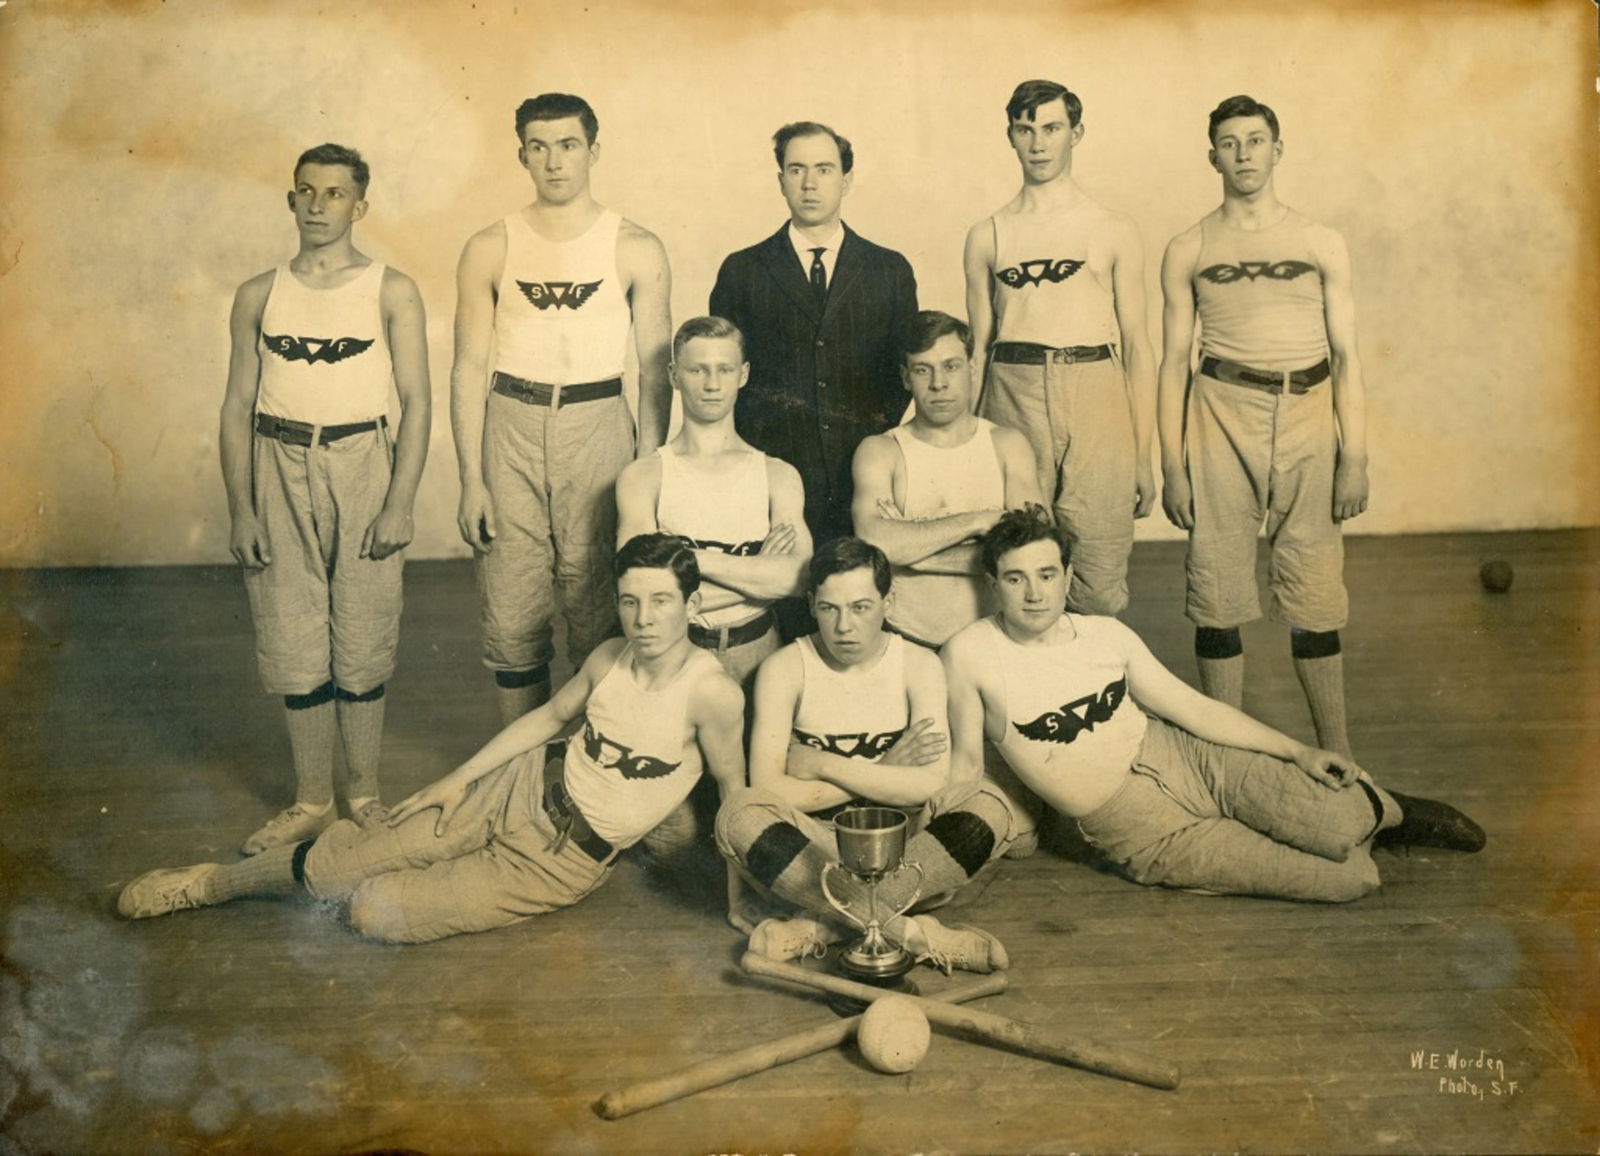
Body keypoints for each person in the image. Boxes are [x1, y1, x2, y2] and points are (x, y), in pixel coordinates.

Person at [117, 536, 747, 944]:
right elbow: (549, 719)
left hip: (558, 859)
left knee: (373, 911)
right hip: (517, 786)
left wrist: (740, 898)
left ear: (691, 606)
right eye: (631, 602)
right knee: (335, 868)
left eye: (662, 602)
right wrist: (457, 781)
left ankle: (376, 861)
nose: (644, 619)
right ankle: (208, 883)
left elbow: (736, 798)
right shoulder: (611, 655)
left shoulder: (712, 694)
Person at [940, 509, 1483, 904]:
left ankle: (1390, 814)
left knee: (1341, 815)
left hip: (1185, 758)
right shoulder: (969, 654)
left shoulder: (1105, 634)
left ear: (1067, 574)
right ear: (993, 584)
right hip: (1137, 827)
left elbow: (1193, 709)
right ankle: (1345, 828)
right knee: (1349, 880)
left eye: (1046, 574)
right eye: (1015, 578)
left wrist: (1298, 752)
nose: (1034, 594)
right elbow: (966, 765)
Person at [217, 143, 431, 856]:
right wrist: (242, 508)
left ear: (359, 206)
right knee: (292, 631)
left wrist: (400, 501)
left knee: (363, 629)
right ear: (291, 200)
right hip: (277, 462)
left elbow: (417, 400)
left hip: (363, 461)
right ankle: (311, 799)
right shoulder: (259, 293)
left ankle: (363, 795)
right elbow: (236, 405)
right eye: (306, 191)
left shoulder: (391, 290)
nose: (317, 205)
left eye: (334, 193)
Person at [1156, 95, 1369, 759]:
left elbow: (1347, 356)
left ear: (1278, 150)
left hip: (1308, 414)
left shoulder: (1320, 240)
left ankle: (1339, 754)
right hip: (1221, 414)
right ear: (1212, 156)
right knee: (1217, 588)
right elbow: (1172, 364)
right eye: (1230, 143)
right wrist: (1171, 467)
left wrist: (1355, 457)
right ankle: (1229, 757)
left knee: (1314, 590)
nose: (1243, 154)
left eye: (1255, 140)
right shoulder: (1188, 247)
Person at [451, 92, 672, 726]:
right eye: (539, 147)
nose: (554, 162)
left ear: (593, 151)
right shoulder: (490, 245)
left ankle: (589, 758)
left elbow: (655, 370)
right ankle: (524, 765)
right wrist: (470, 480)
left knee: (598, 600)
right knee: (511, 607)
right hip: (511, 423)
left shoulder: (635, 245)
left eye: (568, 145)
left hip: (598, 422)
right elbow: (467, 367)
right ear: (521, 155)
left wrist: (647, 470)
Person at [715, 538, 1019, 974]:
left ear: (887, 603)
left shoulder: (918, 665)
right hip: (817, 853)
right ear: (811, 604)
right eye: (829, 609)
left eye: (860, 607)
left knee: (990, 804)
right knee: (738, 812)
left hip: (908, 850)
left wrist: (823, 764)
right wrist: (885, 769)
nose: (844, 626)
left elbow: (929, 784)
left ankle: (822, 925)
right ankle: (913, 933)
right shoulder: (784, 668)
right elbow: (768, 789)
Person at [963, 79, 1157, 617]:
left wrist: (1143, 456)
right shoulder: (987, 234)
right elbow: (978, 350)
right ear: (1010, 136)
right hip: (1013, 389)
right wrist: (967, 447)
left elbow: (1139, 346)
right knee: (1019, 551)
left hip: (1096, 392)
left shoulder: (1113, 228)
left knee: (1099, 565)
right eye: (1025, 130)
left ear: (1077, 133)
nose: (1038, 143)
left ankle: (1092, 665)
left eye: (1051, 128)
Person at [710, 121, 918, 551]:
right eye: (796, 170)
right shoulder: (742, 270)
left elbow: (902, 375)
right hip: (772, 471)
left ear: (846, 180)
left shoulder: (889, 269)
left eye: (824, 169)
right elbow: (726, 375)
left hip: (862, 473)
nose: (810, 184)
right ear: (781, 181)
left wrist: (870, 448)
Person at [617, 316, 811, 688]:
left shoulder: (778, 475)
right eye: (697, 370)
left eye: (725, 369)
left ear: (744, 374)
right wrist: (758, 571)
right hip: (674, 656)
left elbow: (798, 580)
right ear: (674, 375)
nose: (712, 384)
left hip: (759, 653)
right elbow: (641, 591)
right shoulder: (643, 476)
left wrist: (684, 558)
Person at [852, 310, 1042, 650]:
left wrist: (917, 555)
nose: (938, 383)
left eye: (951, 366)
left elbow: (1031, 550)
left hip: (996, 642)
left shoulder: (1008, 445)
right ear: (906, 377)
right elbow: (874, 541)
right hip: (907, 640)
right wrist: (980, 522)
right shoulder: (881, 450)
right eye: (922, 370)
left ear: (972, 369)